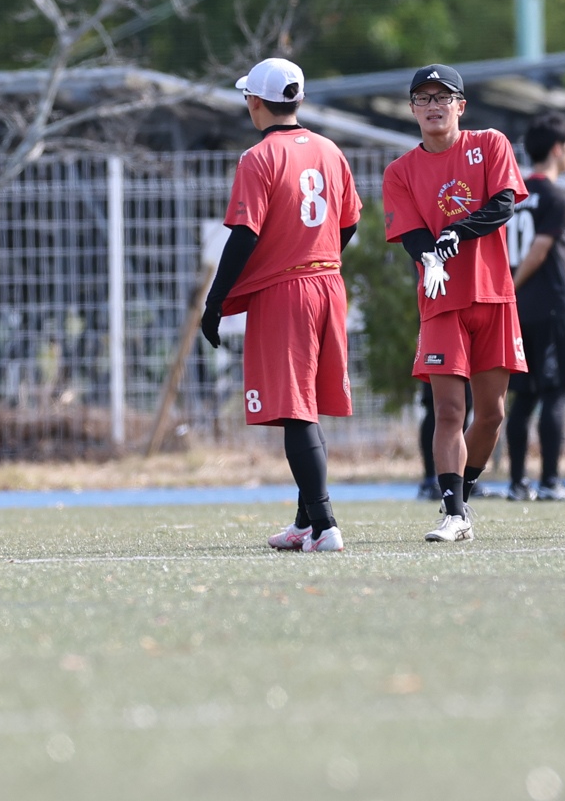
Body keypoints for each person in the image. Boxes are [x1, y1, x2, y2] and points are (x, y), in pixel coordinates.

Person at [200, 58, 362, 552]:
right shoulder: (330, 150)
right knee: (306, 407)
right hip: (328, 283)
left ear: (254, 101)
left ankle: (326, 524)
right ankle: (306, 523)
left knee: (295, 412)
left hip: (287, 293)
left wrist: (215, 300)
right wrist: (315, 253)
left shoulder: (258, 158)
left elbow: (244, 236)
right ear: (299, 99)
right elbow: (350, 223)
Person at [384, 64, 523, 542]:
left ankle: (463, 491)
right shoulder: (400, 171)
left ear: (461, 106)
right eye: (423, 98)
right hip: (442, 300)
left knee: (492, 414)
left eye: (442, 97)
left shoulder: (490, 145)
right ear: (412, 109)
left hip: (494, 295)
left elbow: (503, 204)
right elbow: (411, 232)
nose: (433, 106)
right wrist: (430, 257)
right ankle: (453, 512)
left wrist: (455, 234)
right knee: (447, 410)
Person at [506, 111, 565, 501]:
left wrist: (506, 292)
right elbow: (539, 251)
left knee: (523, 397)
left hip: (517, 312)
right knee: (554, 392)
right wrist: (513, 285)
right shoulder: (555, 196)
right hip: (550, 307)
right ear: (557, 149)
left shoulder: (513, 193)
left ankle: (517, 483)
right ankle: (550, 481)